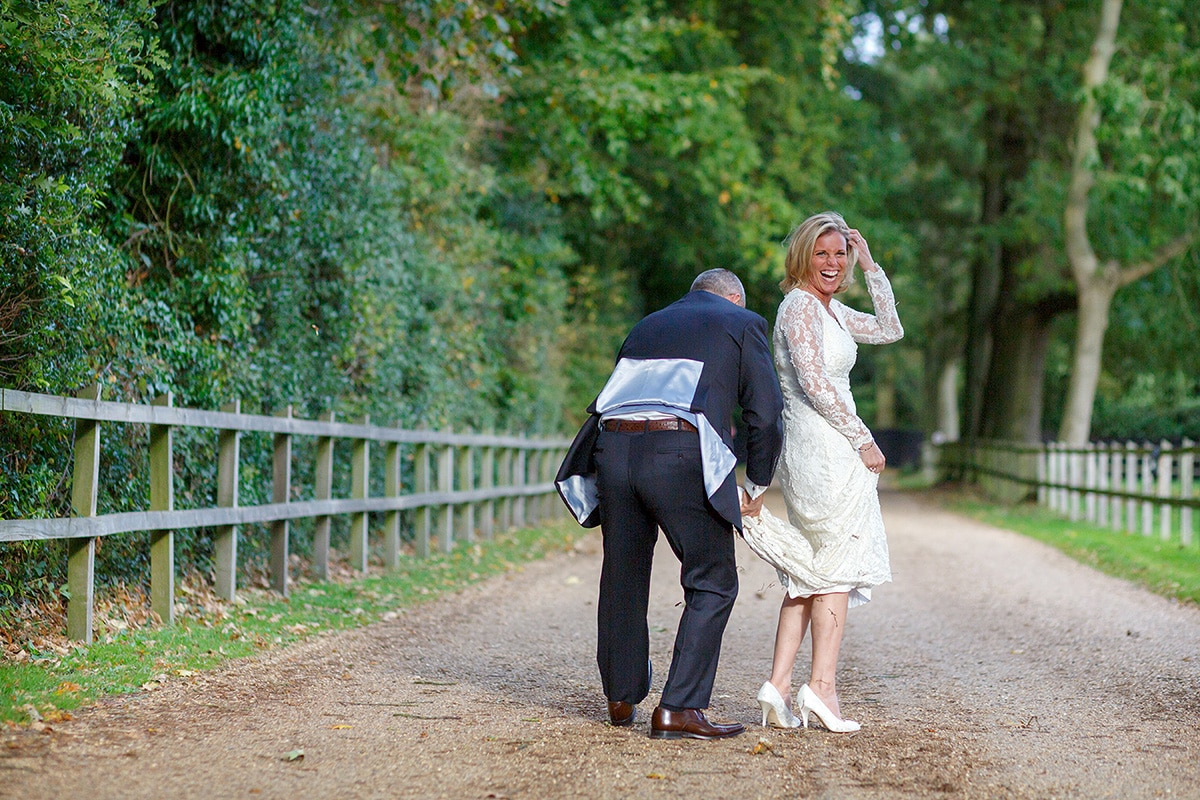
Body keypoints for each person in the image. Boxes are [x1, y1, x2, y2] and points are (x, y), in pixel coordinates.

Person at [556, 268, 784, 740]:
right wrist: (756, 485)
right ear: (734, 298)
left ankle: (620, 697)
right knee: (713, 579)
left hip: (612, 451)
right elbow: (765, 412)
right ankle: (678, 707)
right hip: (677, 453)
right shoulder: (742, 323)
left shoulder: (647, 325)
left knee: (623, 573)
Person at [741, 211, 903, 733]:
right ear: (803, 256)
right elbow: (812, 381)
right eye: (822, 253)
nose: (832, 263)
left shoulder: (830, 311)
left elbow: (889, 328)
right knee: (836, 565)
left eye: (841, 254)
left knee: (811, 571)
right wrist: (862, 437)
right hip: (822, 449)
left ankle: (780, 684)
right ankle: (824, 689)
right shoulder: (799, 308)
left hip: (825, 446)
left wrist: (873, 269)